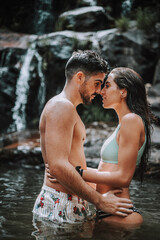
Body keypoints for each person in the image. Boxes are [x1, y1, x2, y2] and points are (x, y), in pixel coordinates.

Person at [32, 51, 133, 224]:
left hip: (68, 202)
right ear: (79, 77)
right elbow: (58, 166)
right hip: (60, 204)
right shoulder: (61, 106)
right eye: (97, 83)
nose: (100, 90)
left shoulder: (67, 108)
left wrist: (101, 192)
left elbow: (71, 166)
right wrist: (100, 201)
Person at [77, 67, 153, 227]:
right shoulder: (124, 123)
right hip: (109, 210)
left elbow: (123, 178)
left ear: (123, 92)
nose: (101, 91)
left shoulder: (131, 120)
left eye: (107, 86)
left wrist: (79, 173)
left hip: (119, 214)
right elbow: (108, 171)